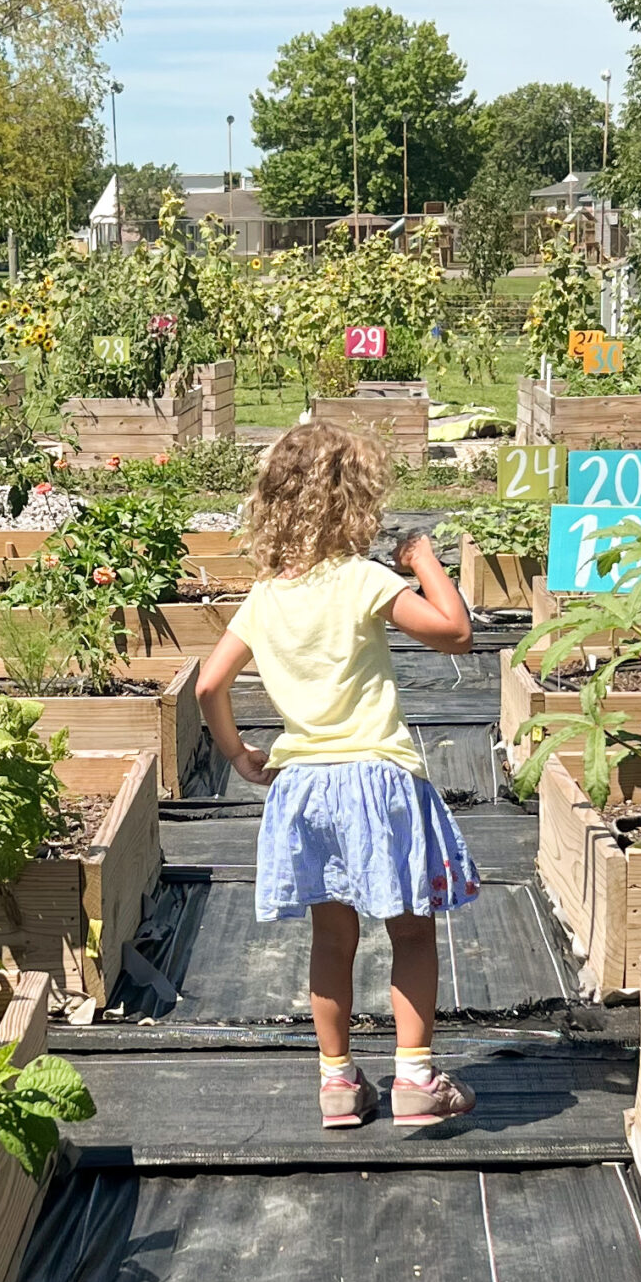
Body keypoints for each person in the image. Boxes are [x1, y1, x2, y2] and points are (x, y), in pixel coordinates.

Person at [195, 421, 481, 1131]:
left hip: (303, 789)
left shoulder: (266, 597)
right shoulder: (363, 580)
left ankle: (338, 1084)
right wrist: (424, 560)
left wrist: (238, 755)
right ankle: (415, 1079)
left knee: (331, 939)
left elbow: (208, 684)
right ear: (354, 501)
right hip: (376, 780)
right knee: (411, 932)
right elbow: (454, 631)